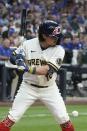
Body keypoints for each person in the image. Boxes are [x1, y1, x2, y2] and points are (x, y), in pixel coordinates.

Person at [0, 20, 75, 131]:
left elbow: (46, 70)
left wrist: (26, 68)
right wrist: (19, 59)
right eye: (53, 36)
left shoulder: (59, 50)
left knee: (64, 119)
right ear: (44, 35)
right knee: (11, 118)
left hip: (49, 89)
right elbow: (12, 57)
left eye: (57, 36)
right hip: (28, 87)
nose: (57, 39)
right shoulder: (27, 44)